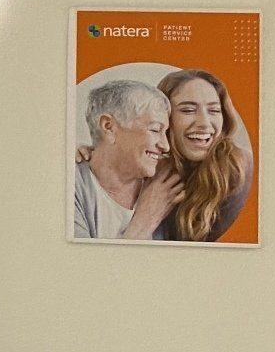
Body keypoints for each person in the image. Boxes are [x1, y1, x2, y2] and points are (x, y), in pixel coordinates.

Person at [73, 80, 181, 240]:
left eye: (165, 132)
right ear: (109, 127)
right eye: (155, 129)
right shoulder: (69, 185)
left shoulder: (168, 183)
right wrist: (143, 223)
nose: (165, 146)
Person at [154, 68, 254, 242]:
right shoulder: (156, 166)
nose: (204, 123)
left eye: (214, 111)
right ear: (163, 118)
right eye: (187, 110)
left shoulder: (239, 170)